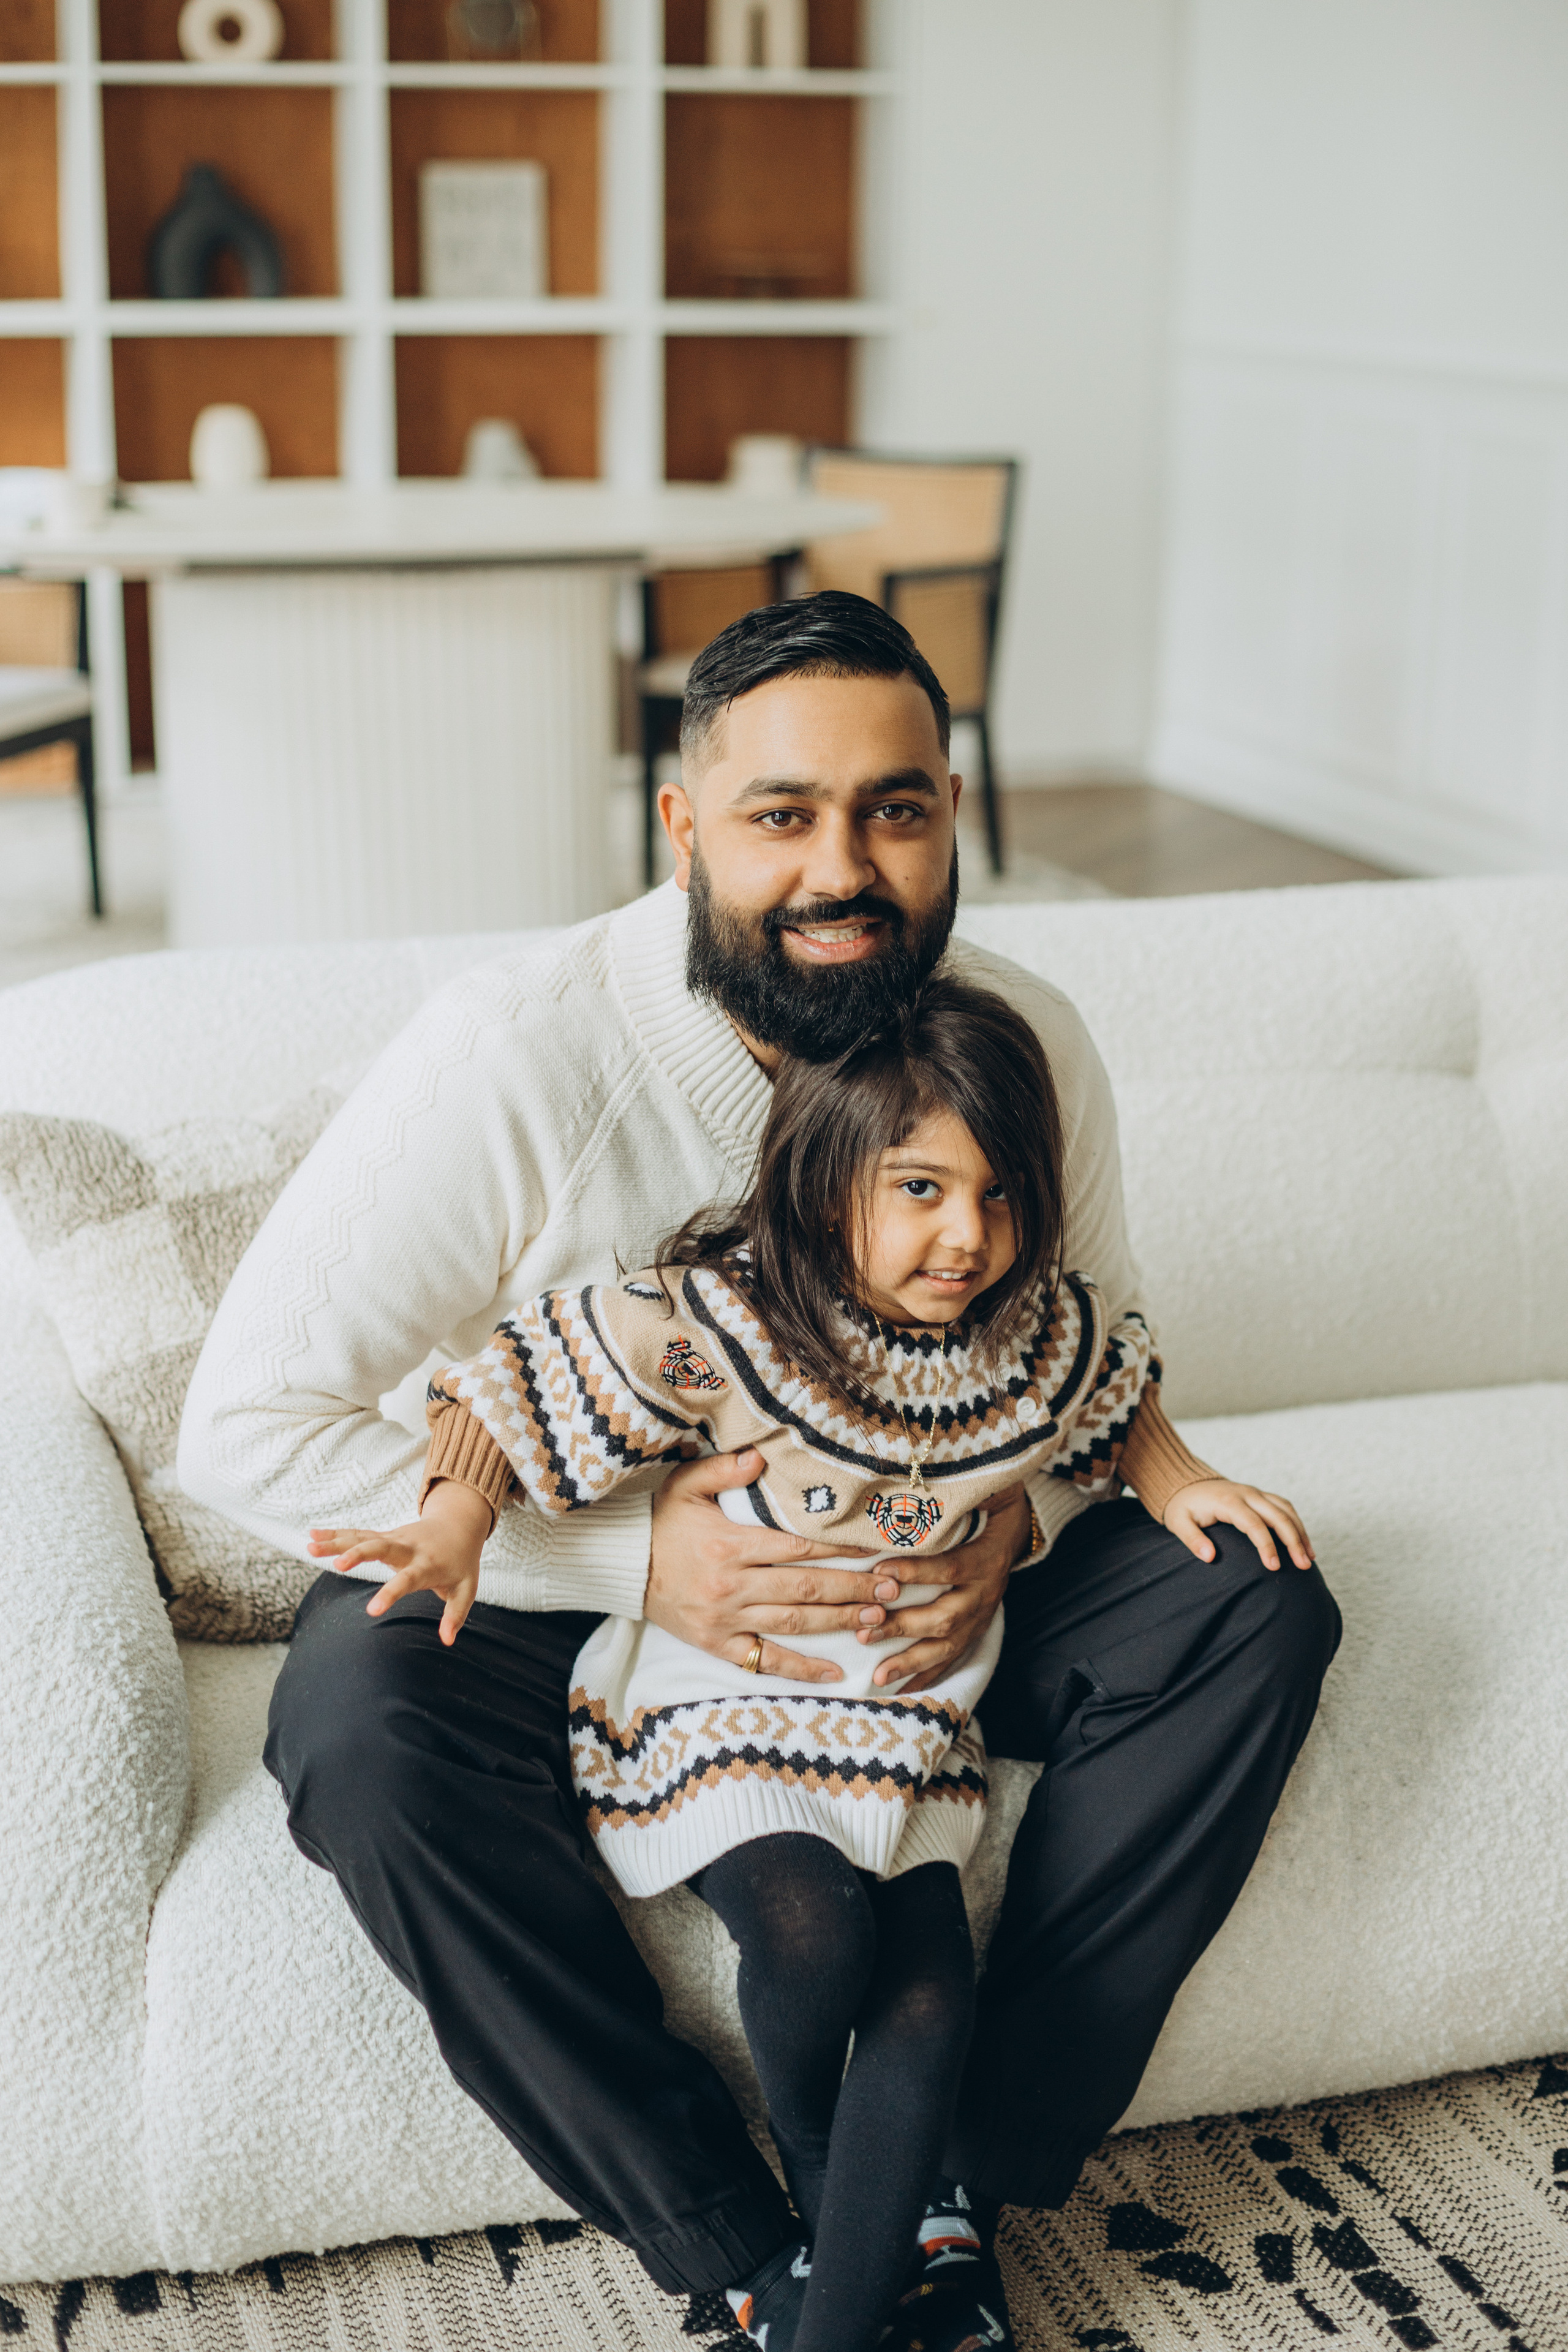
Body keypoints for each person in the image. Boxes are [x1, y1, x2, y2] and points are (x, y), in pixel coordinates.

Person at [179, 591, 1339, 2340]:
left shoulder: (1023, 1040)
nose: (841, 869)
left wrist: (1013, 1526)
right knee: (357, 1725)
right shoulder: (523, 1049)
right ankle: (731, 2239)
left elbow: (1085, 1351)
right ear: (682, 826)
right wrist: (642, 1560)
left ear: (952, 811)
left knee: (1255, 1601)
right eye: (781, 814)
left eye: (893, 809)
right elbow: (245, 1426)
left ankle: (953, 2172)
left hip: (930, 1594)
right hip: (577, 1593)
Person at [308, 971, 1153, 2352]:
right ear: (825, 1188)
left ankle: (834, 2316)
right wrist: (455, 1520)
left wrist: (1181, 1482)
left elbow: (1117, 1398)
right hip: (716, 1702)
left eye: (1001, 1196)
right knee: (815, 1935)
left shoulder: (1032, 1341)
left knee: (929, 2003)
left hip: (901, 1725)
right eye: (922, 1190)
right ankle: (818, 2190)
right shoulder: (725, 1323)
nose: (968, 1235)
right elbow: (516, 1380)